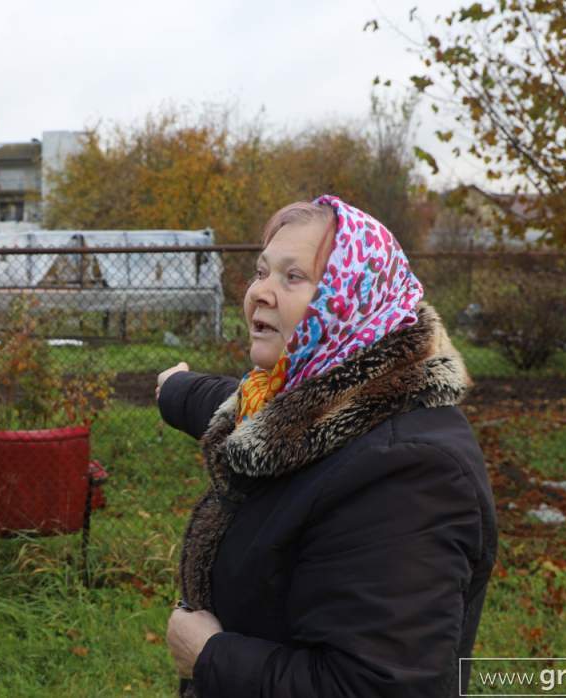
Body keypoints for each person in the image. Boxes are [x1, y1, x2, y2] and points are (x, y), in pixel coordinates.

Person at [156, 195, 497, 697]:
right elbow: (243, 410)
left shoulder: (409, 475)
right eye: (261, 271)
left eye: (293, 278)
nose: (260, 293)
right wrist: (175, 392)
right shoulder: (314, 400)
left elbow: (377, 687)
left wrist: (212, 656)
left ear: (353, 297)